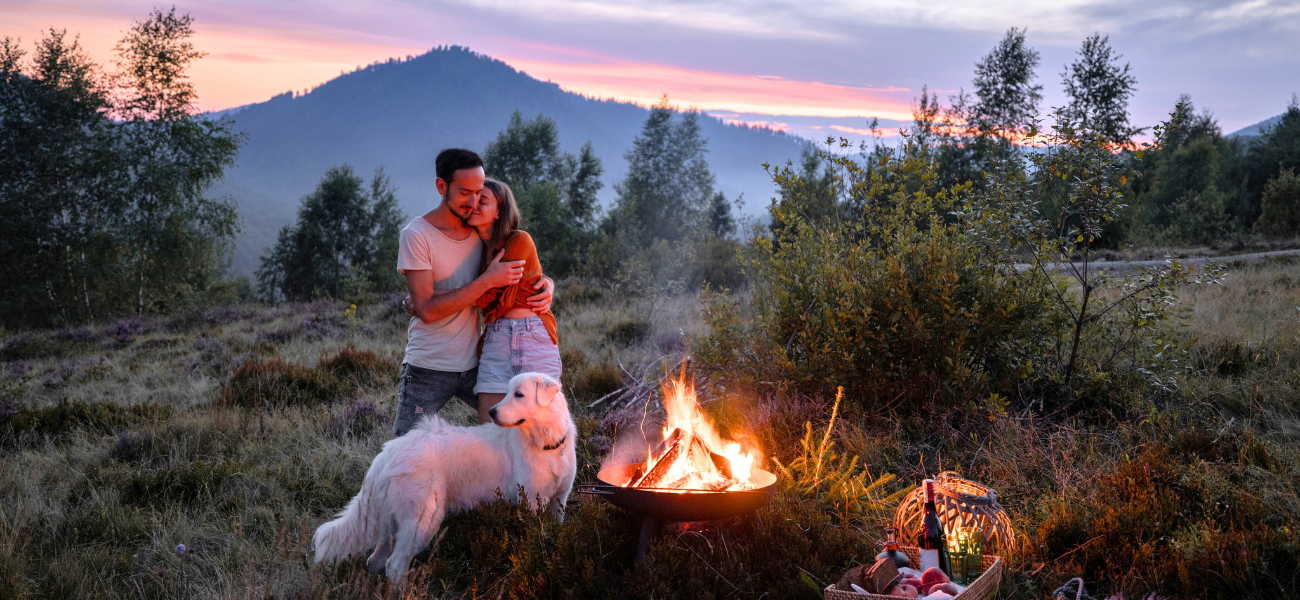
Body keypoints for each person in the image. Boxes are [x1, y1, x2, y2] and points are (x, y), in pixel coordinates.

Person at [392, 148, 553, 437]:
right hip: (429, 365)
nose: (473, 202)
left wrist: (545, 282)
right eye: (465, 193)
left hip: (477, 361)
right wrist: (487, 281)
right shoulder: (417, 235)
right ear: (442, 186)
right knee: (406, 444)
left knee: (514, 434)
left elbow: (512, 272)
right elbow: (428, 310)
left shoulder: (479, 233)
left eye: (479, 193)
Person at [467, 179, 562, 424]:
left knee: (543, 428)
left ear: (499, 212)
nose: (474, 204)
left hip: (533, 336)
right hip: (496, 339)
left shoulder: (519, 239)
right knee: (490, 428)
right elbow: (487, 294)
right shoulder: (474, 248)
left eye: (482, 200)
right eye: (472, 198)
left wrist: (443, 297)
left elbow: (499, 296)